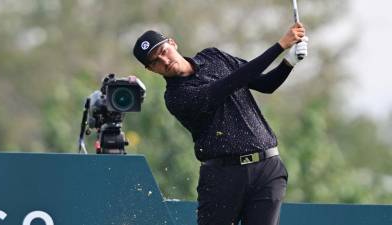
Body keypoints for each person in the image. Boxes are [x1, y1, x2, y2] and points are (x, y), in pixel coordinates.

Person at [132, 23, 308, 225]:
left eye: (163, 51)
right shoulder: (176, 97)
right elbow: (229, 84)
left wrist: (289, 62)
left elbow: (265, 84)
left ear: (173, 43)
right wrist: (280, 46)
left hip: (267, 168)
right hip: (222, 177)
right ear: (151, 69)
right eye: (155, 61)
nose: (164, 60)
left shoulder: (214, 57)